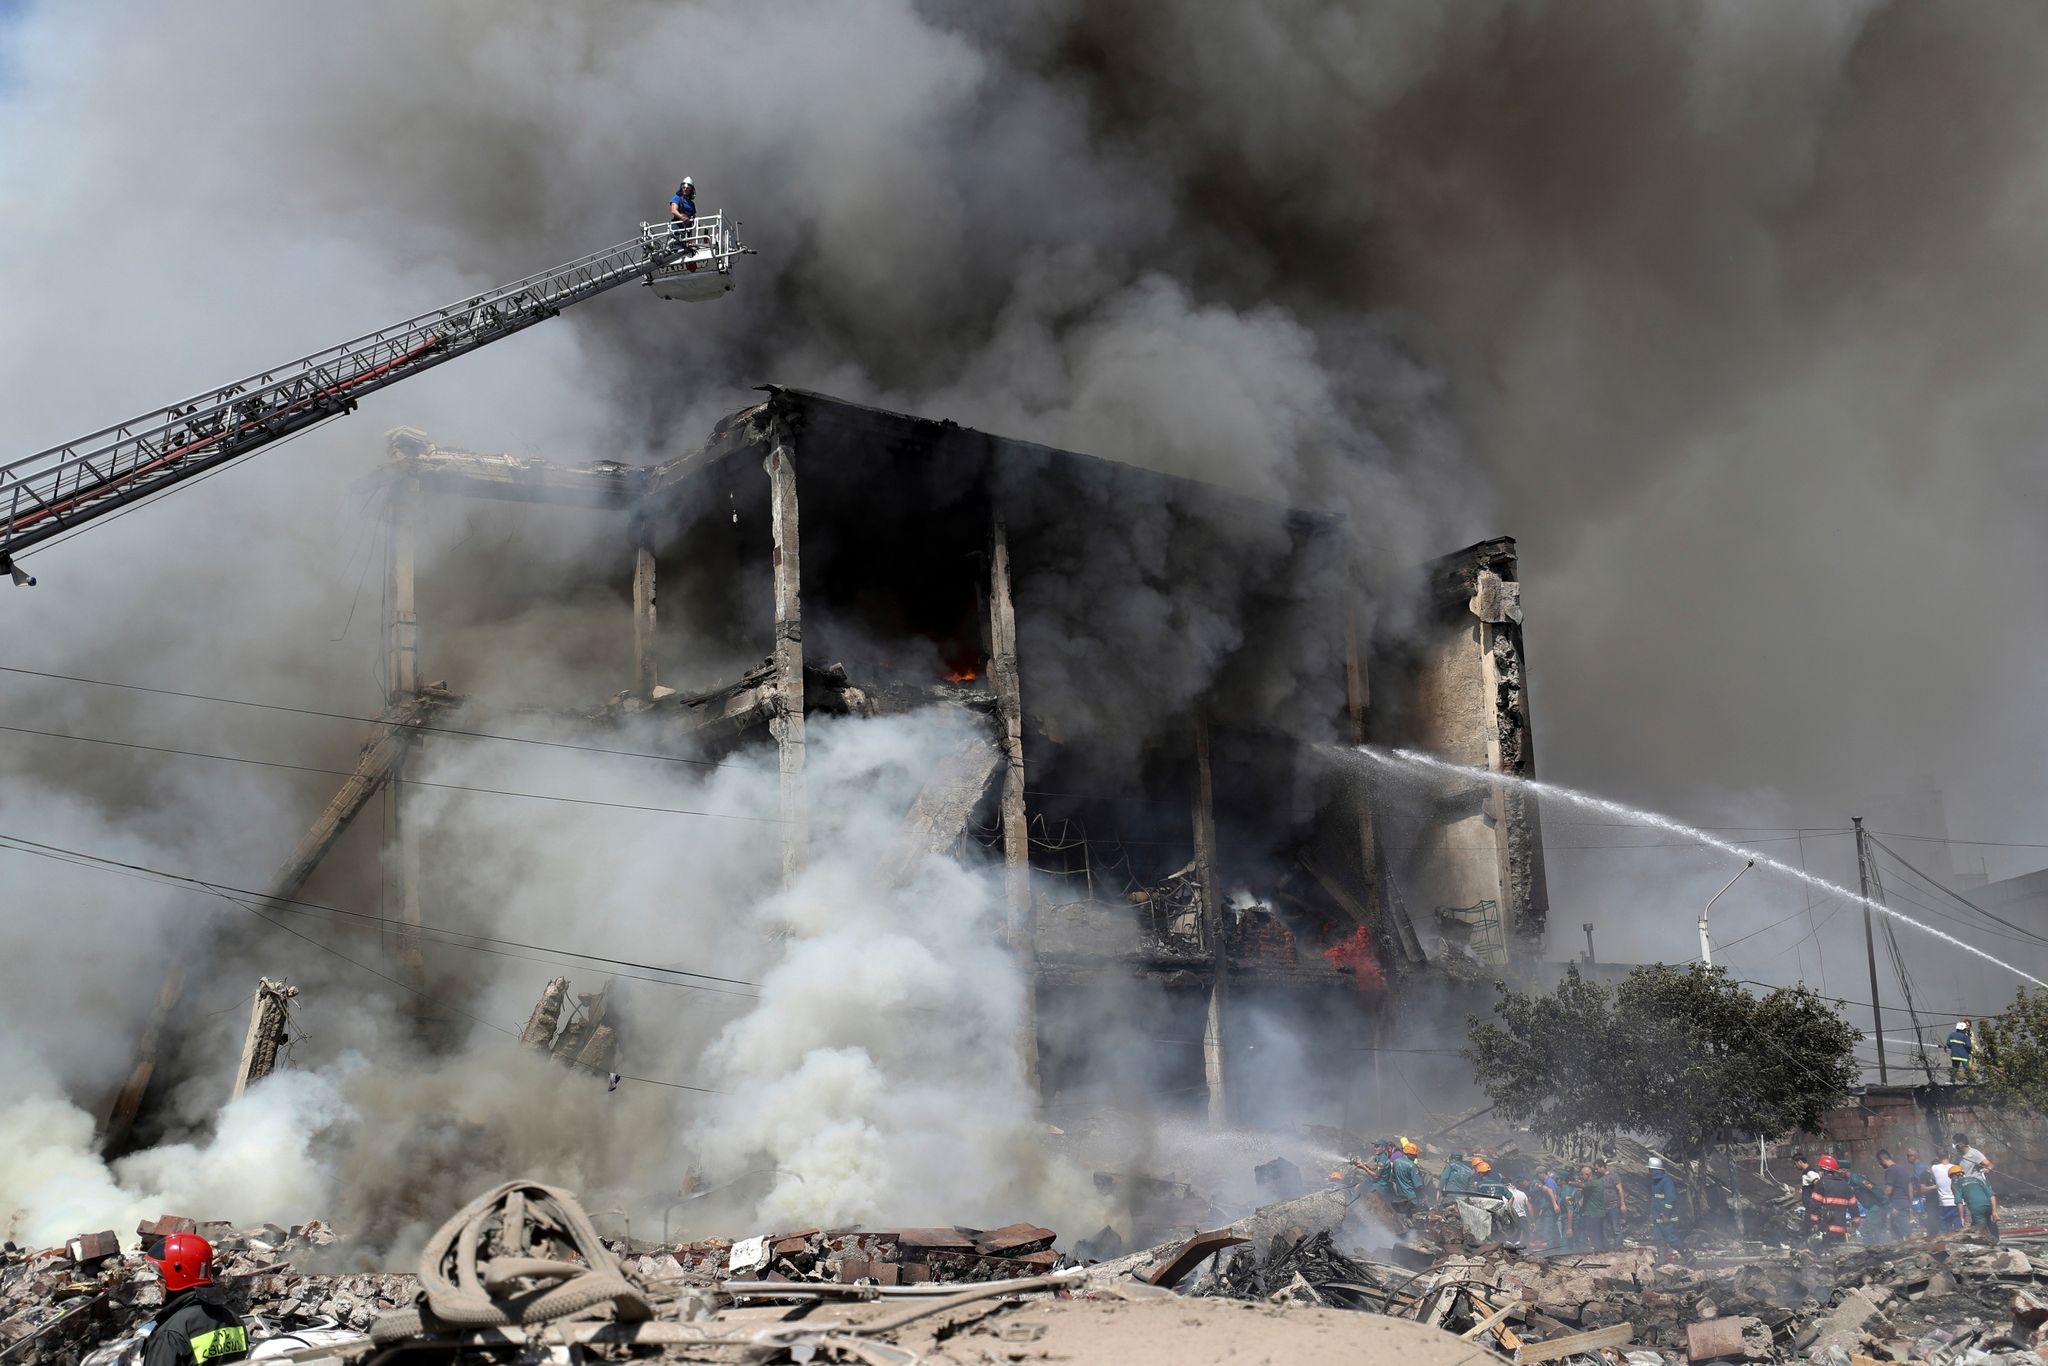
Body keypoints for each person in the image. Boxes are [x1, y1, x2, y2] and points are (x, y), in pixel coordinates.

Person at [143, 1233, 249, 1364]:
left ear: (177, 1274)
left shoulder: (170, 1335)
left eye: (160, 1275)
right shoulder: (235, 1321)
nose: (156, 1282)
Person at [1808, 1155, 1859, 1246]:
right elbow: (1853, 1206)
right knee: (1840, 1255)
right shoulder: (1845, 1185)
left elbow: (1815, 1205)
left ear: (1824, 1170)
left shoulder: (1821, 1183)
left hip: (1825, 1229)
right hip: (1841, 1229)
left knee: (1826, 1256)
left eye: (1820, 1169)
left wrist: (1814, 1223)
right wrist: (1856, 1221)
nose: (1819, 1172)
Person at [1955, 1165, 2000, 1244]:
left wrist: (1962, 1218)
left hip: (1976, 1208)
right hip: (1988, 1205)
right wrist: (1994, 1211)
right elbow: (1992, 1195)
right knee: (1992, 1224)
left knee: (1981, 1228)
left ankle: (1989, 1248)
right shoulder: (1976, 1180)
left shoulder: (1958, 1184)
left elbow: (1959, 1202)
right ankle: (1997, 1242)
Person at [1648, 1156, 1682, 1256]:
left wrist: (1666, 1214)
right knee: (1659, 1239)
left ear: (1654, 1170)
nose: (1648, 1171)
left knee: (1670, 1238)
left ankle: (1688, 1255)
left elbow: (1670, 1199)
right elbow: (1656, 1199)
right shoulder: (1655, 1182)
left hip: (1666, 1217)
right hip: (1657, 1216)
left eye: (1650, 1169)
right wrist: (1653, 1214)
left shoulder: (1666, 1181)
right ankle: (1661, 1261)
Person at [1879, 1150, 1915, 1243]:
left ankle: (1923, 1250)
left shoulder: (1890, 1170)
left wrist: (1882, 1199)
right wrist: (1909, 1204)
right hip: (1905, 1203)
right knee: (1897, 1235)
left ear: (1882, 1160)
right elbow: (1910, 1189)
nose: (1880, 1165)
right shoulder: (1903, 1169)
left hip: (1896, 1205)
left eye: (1879, 1162)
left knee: (1909, 1234)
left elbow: (1889, 1189)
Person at [1577, 1163, 1611, 1250]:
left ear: (1587, 1175)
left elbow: (1582, 1185)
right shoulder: (1591, 1184)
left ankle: (1600, 1251)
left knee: (1595, 1234)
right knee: (1596, 1234)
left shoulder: (1595, 1183)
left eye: (1582, 1174)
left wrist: (1568, 1182)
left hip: (1595, 1213)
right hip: (1592, 1213)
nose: (1581, 1176)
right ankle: (1601, 1250)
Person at [1598, 1160, 1628, 1249]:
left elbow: (1620, 1190)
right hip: (1603, 1207)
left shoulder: (1614, 1176)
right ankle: (1608, 1247)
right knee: (1604, 1228)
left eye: (1597, 1168)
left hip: (1613, 1205)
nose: (1596, 1171)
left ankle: (1619, 1246)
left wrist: (1622, 1203)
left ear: (1602, 1167)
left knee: (1616, 1228)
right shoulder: (1600, 1178)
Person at [1930, 1154, 1961, 1231]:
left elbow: (1934, 1179)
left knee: (1945, 1230)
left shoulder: (1934, 1168)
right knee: (1959, 1228)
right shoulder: (1956, 1168)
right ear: (1949, 1156)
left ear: (1938, 1157)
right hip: (1957, 1202)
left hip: (1944, 1203)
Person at [1535, 1169, 1564, 1249]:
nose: (1539, 1176)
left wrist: (1554, 1205)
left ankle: (1550, 1250)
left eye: (1539, 1174)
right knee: (1552, 1229)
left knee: (1548, 1230)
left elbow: (1554, 1195)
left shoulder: (1549, 1182)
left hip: (1550, 1210)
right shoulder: (1547, 1182)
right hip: (1548, 1209)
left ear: (1543, 1173)